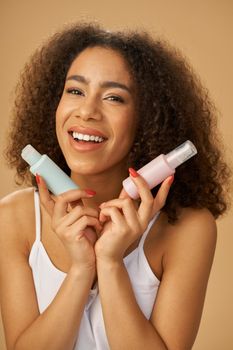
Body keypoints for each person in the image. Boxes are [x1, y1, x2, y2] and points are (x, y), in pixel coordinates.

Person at [0, 22, 231, 350]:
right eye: (76, 91)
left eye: (114, 97)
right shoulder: (14, 217)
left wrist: (109, 263)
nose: (87, 111)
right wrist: (82, 268)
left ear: (149, 118)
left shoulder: (189, 228)